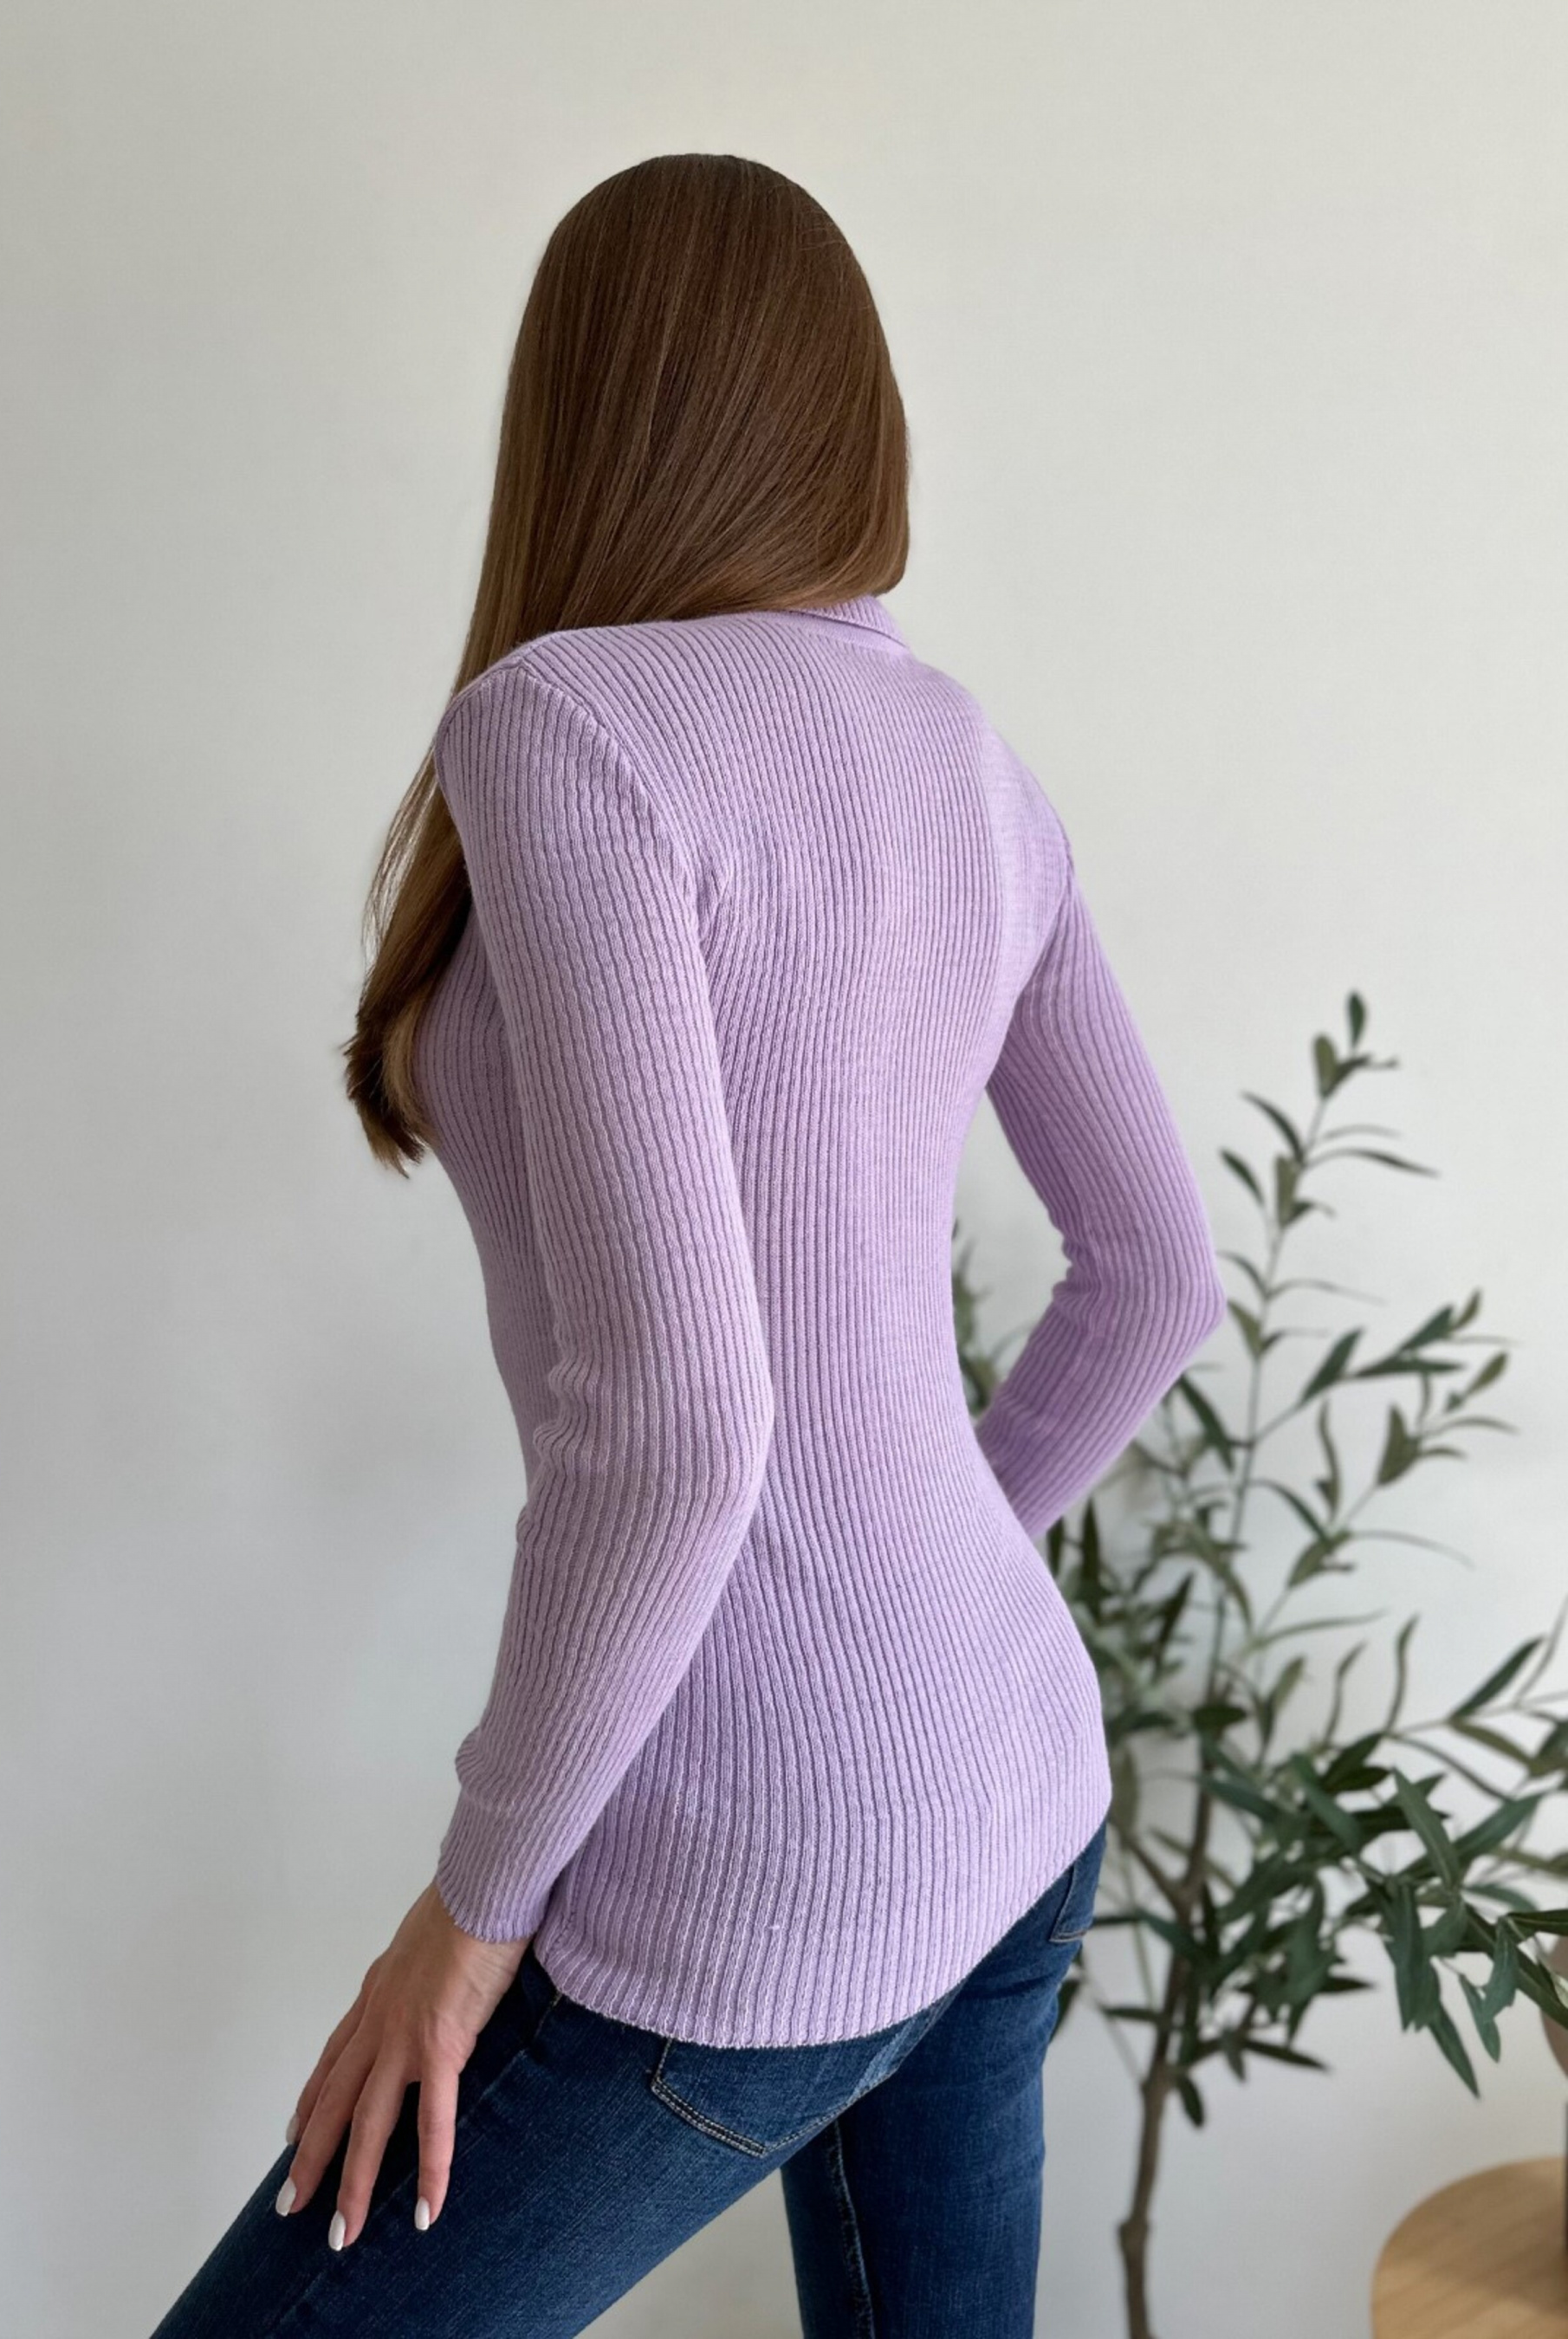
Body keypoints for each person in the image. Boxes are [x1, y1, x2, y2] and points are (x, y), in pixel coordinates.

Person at [148, 151, 1226, 2338]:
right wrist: (927, 1575)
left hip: (756, 1861)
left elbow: (677, 1423)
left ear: (583, 407)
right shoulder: (961, 754)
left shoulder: (562, 725)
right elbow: (1155, 1277)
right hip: (1014, 1780)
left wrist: (469, 1911)